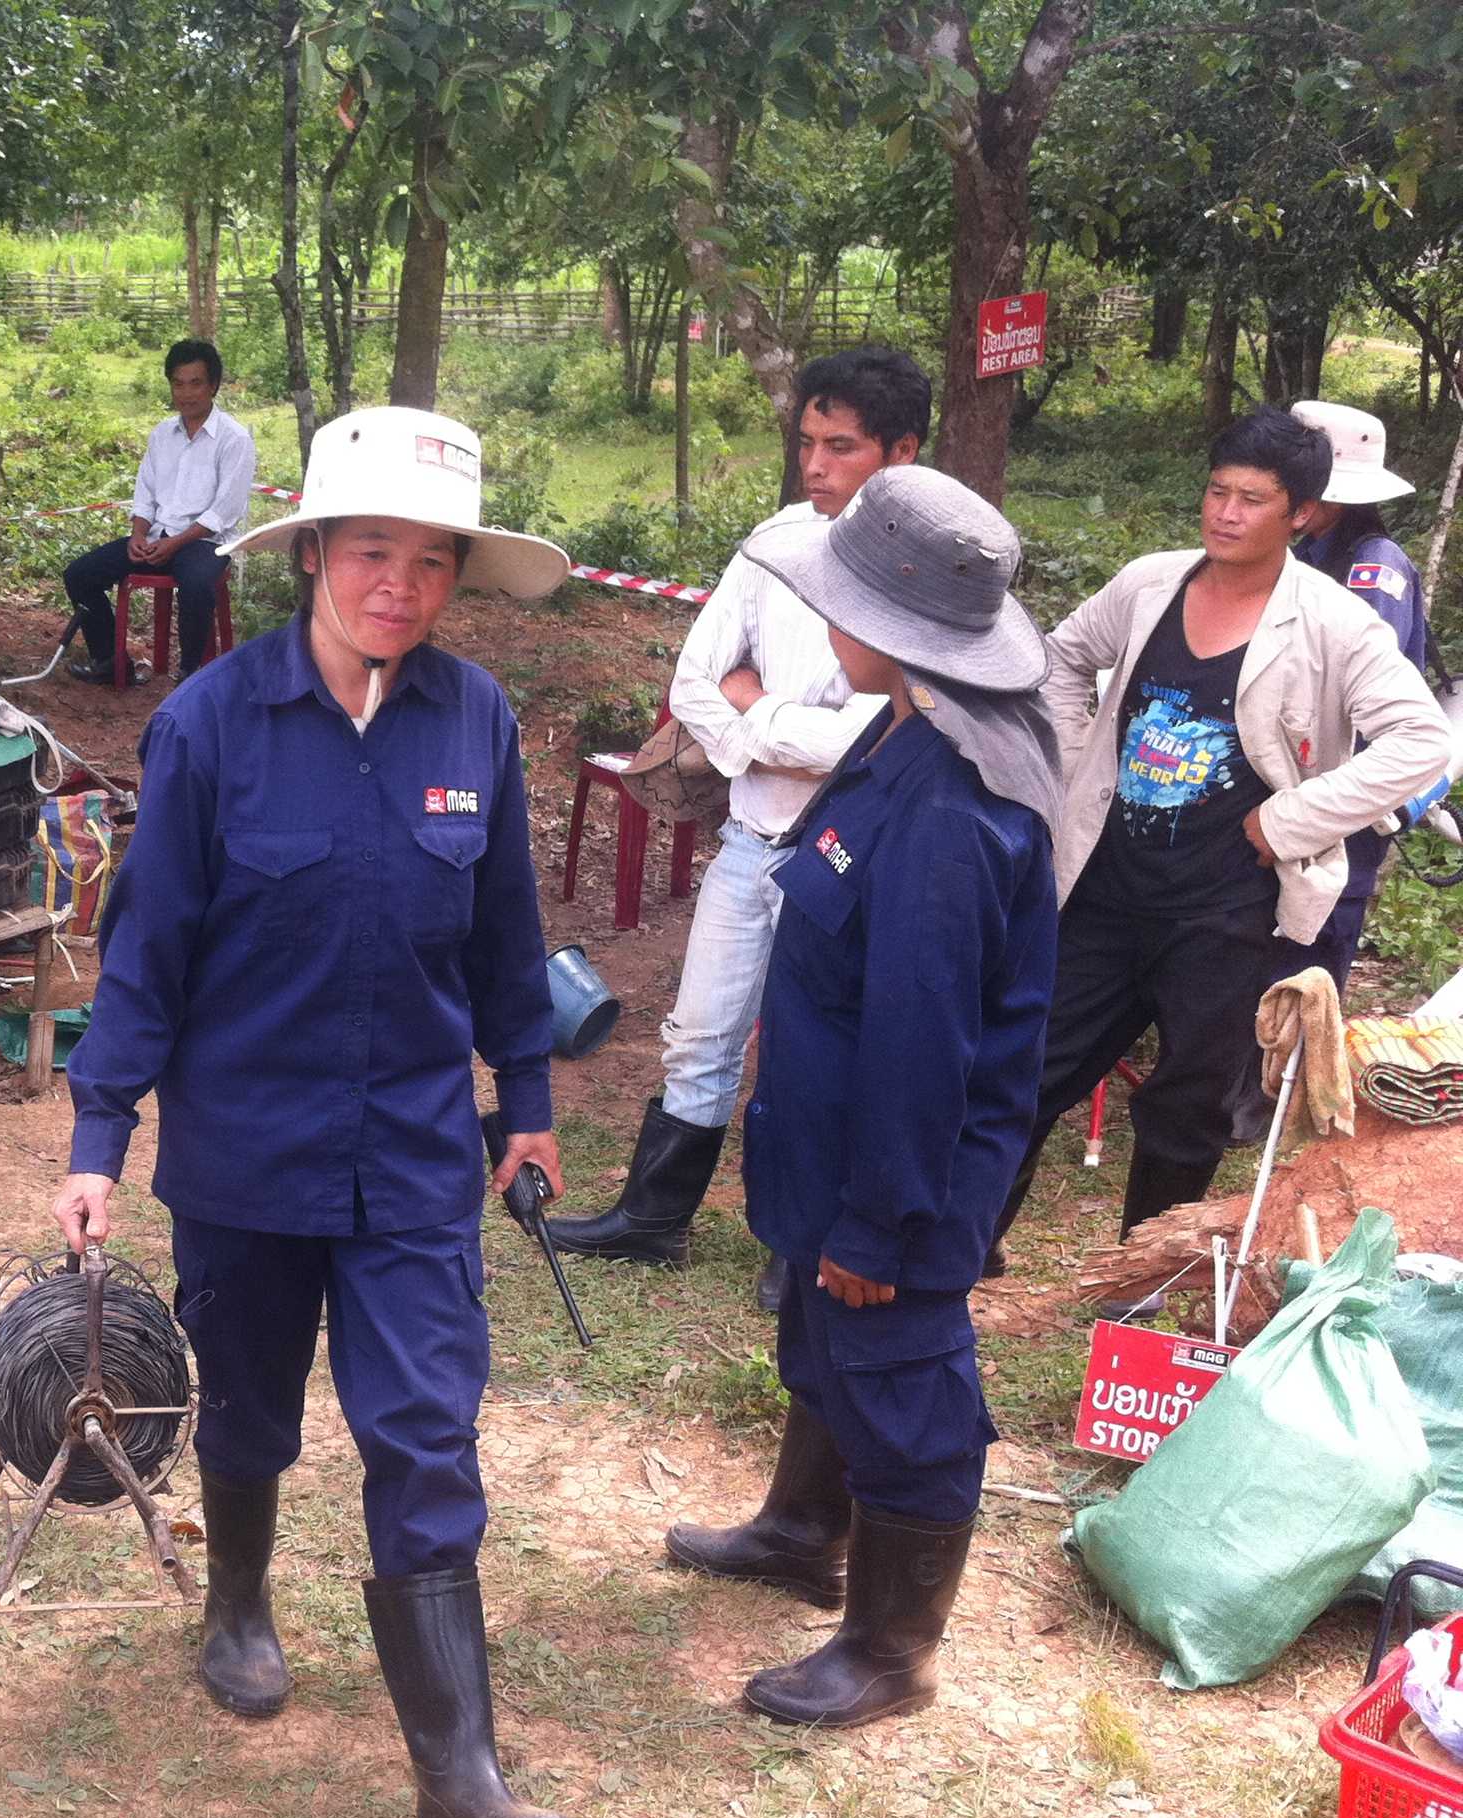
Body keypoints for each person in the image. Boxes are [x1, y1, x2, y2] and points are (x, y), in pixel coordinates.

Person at [54, 408, 573, 1818]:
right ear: (313, 560)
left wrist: (524, 1103)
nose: (397, 586)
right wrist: (99, 1133)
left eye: (427, 561)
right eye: (370, 553)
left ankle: (457, 1775)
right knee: (252, 1405)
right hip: (247, 1152)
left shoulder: (476, 719)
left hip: (412, 1154)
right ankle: (237, 1605)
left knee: (424, 1429)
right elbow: (146, 955)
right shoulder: (212, 725)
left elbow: (508, 937)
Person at [673, 466, 1062, 1729]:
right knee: (824, 1347)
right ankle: (802, 1528)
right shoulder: (901, 726)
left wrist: (882, 1226)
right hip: (830, 1146)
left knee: (901, 1378)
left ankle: (893, 1650)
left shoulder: (954, 800)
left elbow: (922, 1043)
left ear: (893, 626)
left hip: (892, 1172)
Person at [985, 407, 1450, 1309]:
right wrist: (1087, 764)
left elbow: (1419, 741)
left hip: (1231, 909)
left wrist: (1293, 819)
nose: (1227, 514)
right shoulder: (1149, 584)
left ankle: (1136, 1287)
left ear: (1302, 514)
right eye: (1217, 491)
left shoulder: (1335, 622)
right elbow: (1057, 661)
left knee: (1187, 1103)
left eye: (1253, 499)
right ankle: (964, 1244)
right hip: (1108, 891)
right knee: (1026, 1068)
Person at [548, 348, 930, 1312]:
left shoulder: (927, 572)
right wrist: (770, 732)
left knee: (814, 1048)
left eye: (840, 447)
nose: (815, 463)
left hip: (854, 859)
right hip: (754, 838)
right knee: (701, 1027)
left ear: (901, 454)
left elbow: (887, 729)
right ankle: (654, 1216)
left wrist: (755, 717)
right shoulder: (774, 543)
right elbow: (692, 682)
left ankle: (797, 1239)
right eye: (807, 441)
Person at [1287, 399, 1441, 987]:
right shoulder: (1307, 553)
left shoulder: (1375, 566)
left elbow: (1355, 681)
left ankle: (1299, 1067)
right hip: (1302, 769)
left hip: (1352, 779)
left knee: (1323, 930)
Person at [63, 338, 257, 683]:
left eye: (196, 383)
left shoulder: (234, 439)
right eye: (178, 384)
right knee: (79, 574)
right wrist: (139, 534)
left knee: (197, 584)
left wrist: (177, 542)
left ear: (213, 386)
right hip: (157, 536)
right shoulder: (162, 435)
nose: (186, 394)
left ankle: (190, 674)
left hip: (205, 543)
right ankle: (110, 660)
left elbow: (223, 512)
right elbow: (145, 494)